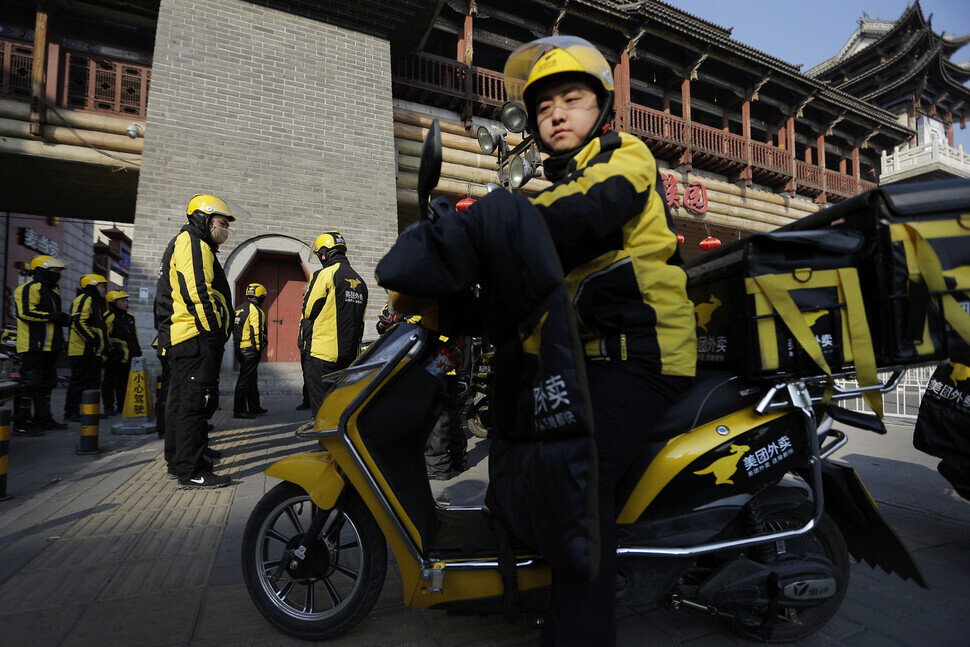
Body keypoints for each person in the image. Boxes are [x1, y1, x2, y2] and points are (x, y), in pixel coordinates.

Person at [381, 36, 697, 646]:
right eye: (544, 104)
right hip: (588, 358)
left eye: (571, 99)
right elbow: (518, 292)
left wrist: (483, 224)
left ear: (601, 107)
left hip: (641, 355)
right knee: (514, 432)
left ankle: (579, 632)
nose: (555, 113)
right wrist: (447, 304)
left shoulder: (622, 158)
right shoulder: (554, 186)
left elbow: (576, 214)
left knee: (583, 486)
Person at [155, 193, 240, 489]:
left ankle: (181, 460)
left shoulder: (190, 242)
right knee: (195, 404)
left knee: (180, 403)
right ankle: (192, 470)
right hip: (196, 338)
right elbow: (197, 293)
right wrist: (214, 331)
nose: (224, 229)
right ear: (202, 218)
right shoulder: (193, 243)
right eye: (220, 221)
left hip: (187, 337)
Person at [299, 231, 368, 414]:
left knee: (322, 411)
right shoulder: (360, 281)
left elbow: (308, 310)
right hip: (349, 355)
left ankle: (326, 441)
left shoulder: (324, 275)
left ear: (324, 253)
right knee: (341, 406)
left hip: (322, 355)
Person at [12, 255, 71, 436]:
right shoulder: (28, 288)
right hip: (33, 345)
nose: (57, 275)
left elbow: (53, 317)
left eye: (59, 271)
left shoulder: (53, 292)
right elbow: (25, 313)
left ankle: (43, 418)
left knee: (47, 384)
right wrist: (53, 316)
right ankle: (21, 422)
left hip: (51, 345)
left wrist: (63, 319)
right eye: (54, 271)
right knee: (29, 383)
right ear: (41, 271)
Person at [64, 273, 109, 422]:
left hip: (92, 351)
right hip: (82, 350)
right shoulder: (84, 299)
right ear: (92, 285)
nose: (104, 289)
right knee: (79, 383)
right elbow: (77, 322)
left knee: (92, 383)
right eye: (102, 286)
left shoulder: (95, 303)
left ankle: (90, 411)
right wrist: (93, 339)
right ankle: (71, 412)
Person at [102, 290, 142, 416]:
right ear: (113, 302)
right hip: (114, 357)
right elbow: (104, 336)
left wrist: (137, 350)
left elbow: (133, 335)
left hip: (128, 356)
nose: (125, 303)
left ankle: (122, 406)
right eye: (122, 301)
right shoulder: (109, 316)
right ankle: (109, 407)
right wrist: (110, 352)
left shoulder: (130, 317)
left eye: (126, 300)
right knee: (109, 382)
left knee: (124, 382)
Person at [232, 283, 269, 419]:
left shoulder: (239, 309)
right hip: (250, 350)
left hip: (239, 349)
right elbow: (257, 332)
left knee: (251, 379)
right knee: (245, 380)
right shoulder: (256, 311)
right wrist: (259, 350)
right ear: (260, 296)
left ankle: (254, 407)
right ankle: (239, 410)